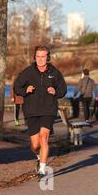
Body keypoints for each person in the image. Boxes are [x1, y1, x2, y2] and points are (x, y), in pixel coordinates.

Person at [14, 45, 67, 180]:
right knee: (35, 145)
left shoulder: (54, 73)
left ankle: (42, 170)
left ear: (47, 57)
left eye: (43, 56)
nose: (40, 59)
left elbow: (63, 89)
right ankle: (39, 157)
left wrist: (56, 92)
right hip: (31, 110)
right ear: (35, 57)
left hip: (48, 109)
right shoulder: (28, 72)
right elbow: (17, 86)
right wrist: (26, 90)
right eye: (38, 56)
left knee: (44, 137)